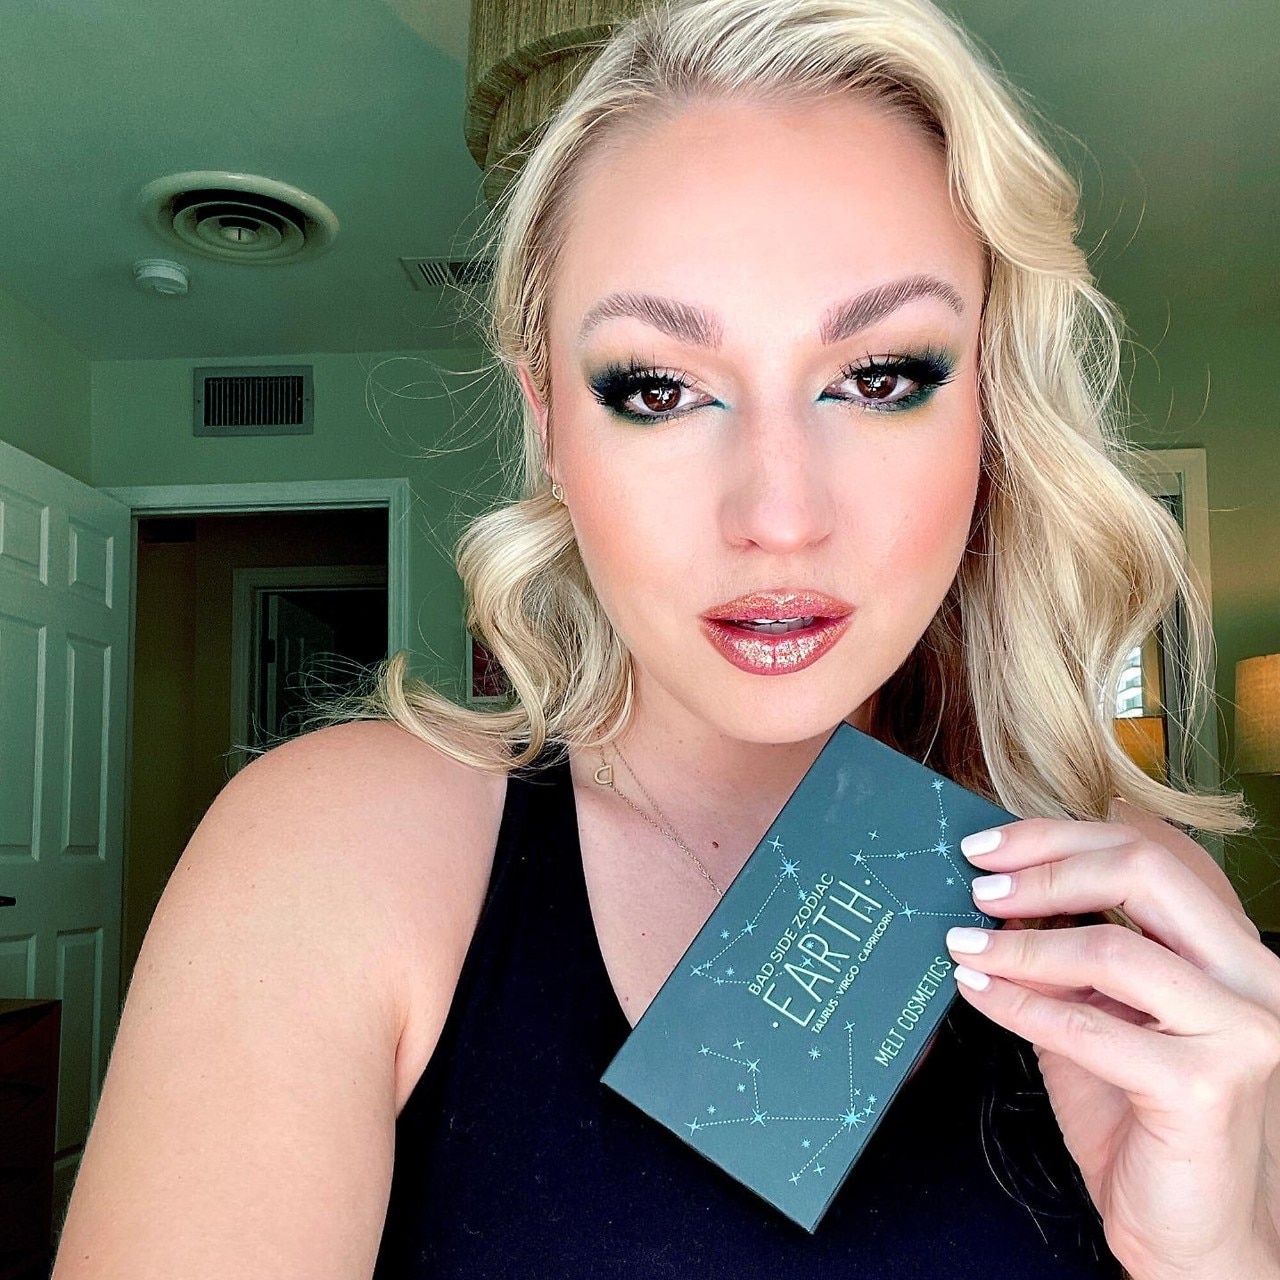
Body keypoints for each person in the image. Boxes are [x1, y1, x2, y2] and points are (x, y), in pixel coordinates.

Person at [52, 0, 1280, 1277]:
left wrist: (1218, 1252)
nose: (777, 517)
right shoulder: (335, 856)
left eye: (878, 376)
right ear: (547, 420)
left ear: (989, 405)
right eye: (659, 387)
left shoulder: (1138, 922)